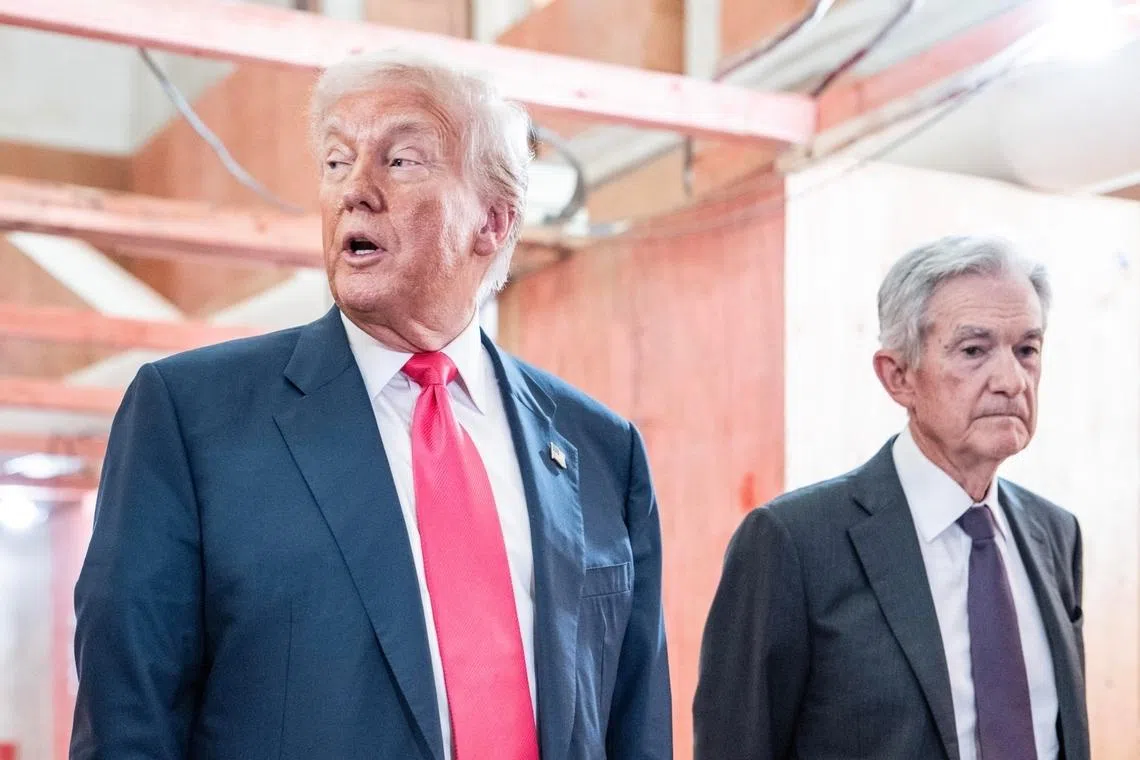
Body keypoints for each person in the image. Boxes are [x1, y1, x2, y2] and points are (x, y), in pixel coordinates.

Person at [71, 51, 671, 760]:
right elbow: (127, 721)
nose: (354, 190)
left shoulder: (601, 449)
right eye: (335, 162)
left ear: (493, 221)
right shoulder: (191, 418)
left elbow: (634, 721)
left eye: (402, 160)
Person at [694, 235, 1088, 760]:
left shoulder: (1055, 535)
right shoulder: (793, 542)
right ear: (898, 376)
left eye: (1027, 350)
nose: (1011, 380)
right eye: (974, 350)